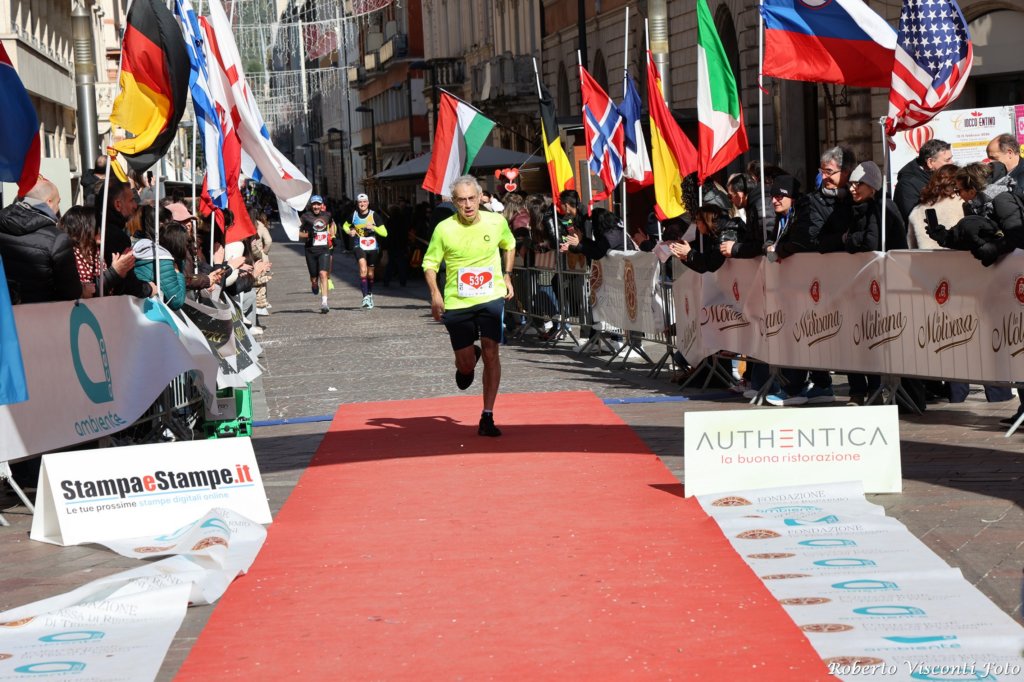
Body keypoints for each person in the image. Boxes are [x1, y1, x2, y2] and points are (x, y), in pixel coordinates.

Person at [422, 175, 516, 437]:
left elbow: (509, 244)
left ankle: (487, 415)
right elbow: (430, 264)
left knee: (491, 352)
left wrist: (507, 275)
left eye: (472, 198)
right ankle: (469, 358)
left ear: (480, 197)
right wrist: (435, 295)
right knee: (464, 366)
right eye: (462, 200)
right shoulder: (444, 229)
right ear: (454, 202)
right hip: (457, 301)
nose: (468, 205)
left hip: (491, 297)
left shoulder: (496, 222)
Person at [0, 176, 81, 304]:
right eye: (58, 202)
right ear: (49, 202)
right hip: (41, 311)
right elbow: (71, 292)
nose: (58, 208)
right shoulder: (57, 239)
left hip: (5, 310)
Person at [344, 193, 388, 309]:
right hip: (359, 244)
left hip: (372, 246)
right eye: (360, 202)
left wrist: (373, 227)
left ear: (368, 203)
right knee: (363, 269)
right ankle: (365, 297)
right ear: (357, 204)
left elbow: (384, 233)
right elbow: (345, 226)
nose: (362, 204)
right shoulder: (354, 215)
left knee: (370, 273)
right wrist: (349, 232)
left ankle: (369, 294)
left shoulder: (374, 215)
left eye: (364, 202)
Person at [893, 138, 952, 222]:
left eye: (951, 158)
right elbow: (913, 218)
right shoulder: (907, 185)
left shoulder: (940, 176)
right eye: (947, 160)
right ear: (930, 162)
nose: (951, 163)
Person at [908, 165, 962, 249]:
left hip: (926, 257)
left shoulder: (917, 210)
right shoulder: (963, 203)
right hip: (960, 256)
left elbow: (911, 246)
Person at [298, 194, 335, 313]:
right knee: (314, 277)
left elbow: (332, 224)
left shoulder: (327, 215)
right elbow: (296, 232)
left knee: (323, 273)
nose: (316, 207)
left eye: (318, 204)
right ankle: (314, 284)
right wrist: (307, 235)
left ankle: (324, 303)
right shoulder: (305, 217)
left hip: (324, 249)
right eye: (314, 204)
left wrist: (332, 234)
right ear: (311, 205)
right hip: (310, 250)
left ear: (321, 205)